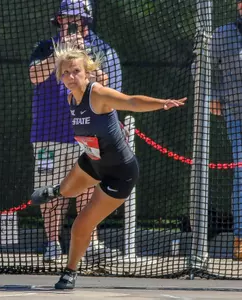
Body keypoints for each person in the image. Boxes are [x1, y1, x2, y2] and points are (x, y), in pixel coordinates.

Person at [31, 42, 186, 289]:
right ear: (60, 76)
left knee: (82, 223)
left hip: (119, 174)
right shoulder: (71, 98)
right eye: (66, 73)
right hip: (92, 162)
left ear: (87, 72)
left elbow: (132, 102)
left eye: (76, 71)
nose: (71, 77)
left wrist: (161, 103)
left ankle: (70, 272)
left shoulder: (98, 94)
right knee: (67, 191)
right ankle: (56, 191)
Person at [29, 0, 122, 262]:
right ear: (58, 20)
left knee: (90, 188)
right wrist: (60, 54)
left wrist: (87, 62)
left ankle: (90, 242)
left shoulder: (101, 48)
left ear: (86, 22)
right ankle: (51, 244)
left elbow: (110, 88)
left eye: (77, 19)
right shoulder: (46, 46)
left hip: (87, 131)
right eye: (66, 18)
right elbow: (34, 76)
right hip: (49, 134)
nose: (71, 23)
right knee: (50, 189)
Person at [209, 0, 242, 260]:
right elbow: (205, 66)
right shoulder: (223, 34)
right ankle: (241, 238)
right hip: (236, 111)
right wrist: (213, 95)